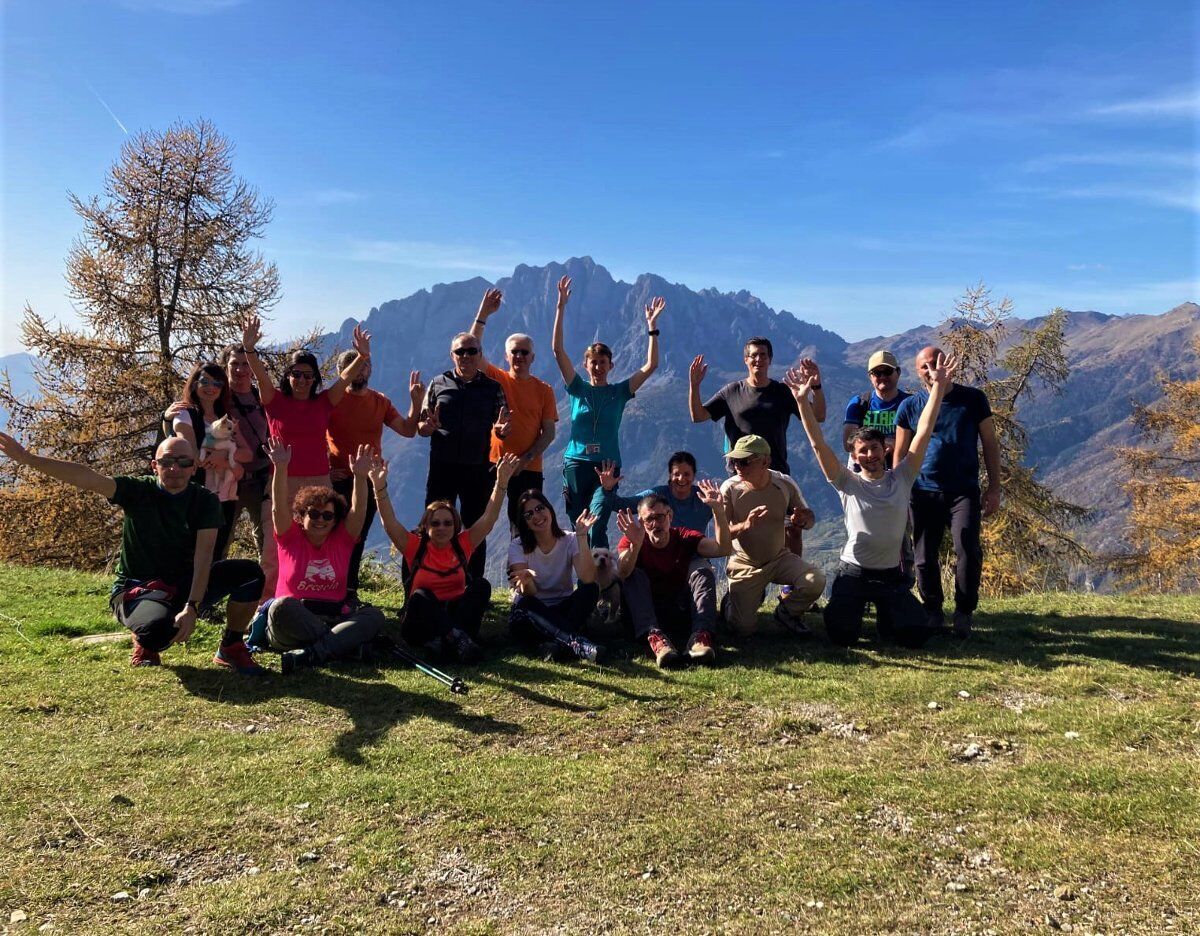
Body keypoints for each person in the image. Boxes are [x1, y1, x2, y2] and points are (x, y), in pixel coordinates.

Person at [0, 431, 264, 671]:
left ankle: (230, 646)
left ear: (194, 467)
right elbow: (88, 478)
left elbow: (204, 557)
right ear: (154, 466)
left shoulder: (205, 501)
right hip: (138, 588)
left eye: (184, 462)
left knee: (250, 573)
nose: (175, 469)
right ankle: (145, 641)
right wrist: (27, 458)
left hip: (183, 584)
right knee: (158, 632)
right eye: (167, 462)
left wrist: (192, 607)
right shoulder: (137, 491)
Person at [789, 353, 957, 648]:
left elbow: (924, 430)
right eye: (863, 450)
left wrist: (938, 389)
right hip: (853, 573)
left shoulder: (902, 478)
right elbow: (818, 444)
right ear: (854, 456)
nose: (870, 455)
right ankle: (858, 614)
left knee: (914, 633)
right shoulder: (847, 483)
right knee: (842, 634)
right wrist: (803, 403)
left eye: (875, 448)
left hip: (890, 576)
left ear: (885, 450)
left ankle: (889, 618)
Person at [893, 345, 1002, 638]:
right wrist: (897, 494)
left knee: (967, 548)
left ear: (948, 363)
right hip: (922, 491)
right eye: (924, 368)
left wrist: (994, 488)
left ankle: (964, 613)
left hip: (963, 491)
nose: (931, 371)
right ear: (917, 373)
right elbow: (900, 454)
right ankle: (932, 612)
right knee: (924, 556)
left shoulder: (973, 400)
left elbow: (990, 444)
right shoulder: (909, 407)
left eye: (935, 363)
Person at [372, 452, 521, 662]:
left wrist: (501, 483)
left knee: (481, 586)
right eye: (435, 523)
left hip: (453, 614)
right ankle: (457, 639)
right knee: (421, 596)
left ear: (455, 526)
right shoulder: (415, 546)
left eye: (448, 523)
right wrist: (379, 488)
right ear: (426, 526)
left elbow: (489, 518)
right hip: (419, 625)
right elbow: (389, 522)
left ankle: (450, 640)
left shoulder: (462, 545)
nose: (442, 527)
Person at [551, 274, 665, 544]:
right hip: (576, 464)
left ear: (611, 365)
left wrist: (652, 328)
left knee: (598, 522)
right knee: (579, 525)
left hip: (607, 466)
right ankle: (586, 581)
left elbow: (651, 366)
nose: (598, 367)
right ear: (586, 365)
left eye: (603, 362)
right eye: (593, 362)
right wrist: (561, 306)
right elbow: (557, 350)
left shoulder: (619, 392)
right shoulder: (577, 388)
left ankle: (603, 583)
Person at [262, 438, 386, 673]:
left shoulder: (341, 540)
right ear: (301, 515)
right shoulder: (290, 537)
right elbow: (278, 506)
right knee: (281, 607)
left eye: (328, 516)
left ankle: (314, 653)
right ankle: (342, 646)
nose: (321, 520)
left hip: (332, 617)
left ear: (335, 520)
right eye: (314, 514)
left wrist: (360, 478)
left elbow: (358, 511)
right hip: (291, 624)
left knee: (374, 615)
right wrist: (280, 468)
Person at [240, 315, 370, 509]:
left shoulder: (324, 402)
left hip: (319, 482)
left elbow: (344, 378)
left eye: (308, 375)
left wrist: (362, 356)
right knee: (276, 537)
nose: (302, 380)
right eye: (296, 374)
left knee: (319, 536)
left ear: (315, 378)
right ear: (288, 376)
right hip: (282, 481)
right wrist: (249, 350)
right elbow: (260, 376)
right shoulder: (274, 400)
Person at [418, 331, 511, 582]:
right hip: (442, 467)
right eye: (460, 351)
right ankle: (430, 578)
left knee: (475, 529)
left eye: (472, 351)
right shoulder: (438, 383)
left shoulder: (493, 388)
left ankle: (472, 583)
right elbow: (422, 426)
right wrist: (426, 427)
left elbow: (504, 427)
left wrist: (501, 431)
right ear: (452, 355)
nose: (466, 356)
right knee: (434, 523)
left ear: (480, 355)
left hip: (478, 469)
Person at [327, 355, 422, 597]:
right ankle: (328, 587)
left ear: (370, 370)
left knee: (358, 535)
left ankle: (349, 589)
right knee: (332, 533)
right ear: (342, 371)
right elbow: (311, 433)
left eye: (363, 367)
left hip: (370, 480)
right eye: (353, 368)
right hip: (339, 480)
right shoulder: (333, 400)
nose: (359, 372)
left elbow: (408, 430)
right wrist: (326, 470)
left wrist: (416, 403)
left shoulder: (380, 401)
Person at [467, 288, 559, 527]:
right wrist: (483, 314)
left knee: (526, 528)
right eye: (514, 352)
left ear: (533, 357)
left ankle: (521, 566)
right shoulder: (496, 379)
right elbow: (472, 352)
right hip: (492, 463)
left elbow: (548, 432)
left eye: (524, 352)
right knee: (479, 521)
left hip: (529, 470)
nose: (519, 356)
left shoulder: (544, 389)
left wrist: (524, 461)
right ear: (506, 357)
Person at [614, 481, 732, 667]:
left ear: (670, 516)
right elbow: (622, 571)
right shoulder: (632, 540)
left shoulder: (684, 537)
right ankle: (656, 640)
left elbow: (722, 548)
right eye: (649, 520)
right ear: (642, 523)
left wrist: (718, 510)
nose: (655, 524)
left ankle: (701, 638)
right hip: (643, 615)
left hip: (679, 612)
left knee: (702, 570)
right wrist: (635, 546)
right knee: (633, 575)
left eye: (660, 517)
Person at [718, 435, 825, 636]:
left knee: (815, 580)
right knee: (743, 629)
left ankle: (787, 612)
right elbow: (721, 537)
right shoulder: (730, 489)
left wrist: (802, 520)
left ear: (765, 461)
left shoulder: (784, 483)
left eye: (744, 461)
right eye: (734, 461)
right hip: (744, 563)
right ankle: (730, 604)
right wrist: (745, 525)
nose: (737, 467)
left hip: (779, 558)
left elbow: (809, 520)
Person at [689, 338, 826, 478]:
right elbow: (698, 416)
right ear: (745, 360)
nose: (758, 359)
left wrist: (816, 387)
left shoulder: (783, 392)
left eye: (763, 355)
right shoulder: (731, 392)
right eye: (753, 355)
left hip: (775, 474)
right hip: (739, 475)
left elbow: (818, 416)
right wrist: (694, 386)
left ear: (770, 359)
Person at [163, 361, 252, 561]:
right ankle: (189, 592)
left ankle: (209, 592)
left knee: (216, 552)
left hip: (225, 498)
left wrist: (226, 458)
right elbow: (191, 453)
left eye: (217, 384)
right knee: (191, 553)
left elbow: (248, 454)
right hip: (196, 496)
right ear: (194, 384)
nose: (211, 388)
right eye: (205, 381)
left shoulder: (225, 419)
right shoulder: (185, 414)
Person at [507, 490, 603, 662]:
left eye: (539, 508)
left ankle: (555, 645)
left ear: (549, 509)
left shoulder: (570, 539)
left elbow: (587, 578)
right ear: (525, 522)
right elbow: (529, 594)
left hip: (562, 607)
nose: (536, 516)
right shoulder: (518, 545)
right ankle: (577, 643)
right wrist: (527, 581)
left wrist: (582, 537)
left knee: (590, 590)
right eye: (529, 514)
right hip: (533, 612)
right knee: (525, 604)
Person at [220, 343, 278, 599]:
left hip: (260, 479)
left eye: (246, 364)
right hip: (227, 480)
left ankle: (263, 594)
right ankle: (208, 594)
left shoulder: (261, 398)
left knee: (266, 540)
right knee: (220, 537)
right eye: (235, 364)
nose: (241, 370)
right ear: (226, 367)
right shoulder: (218, 398)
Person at [843, 350, 911, 468]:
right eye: (877, 373)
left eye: (887, 371)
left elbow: (923, 442)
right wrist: (886, 443)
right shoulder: (859, 403)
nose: (883, 377)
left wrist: (895, 445)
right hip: (864, 478)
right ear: (870, 376)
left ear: (898, 372)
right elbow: (848, 444)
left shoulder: (911, 404)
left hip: (901, 474)